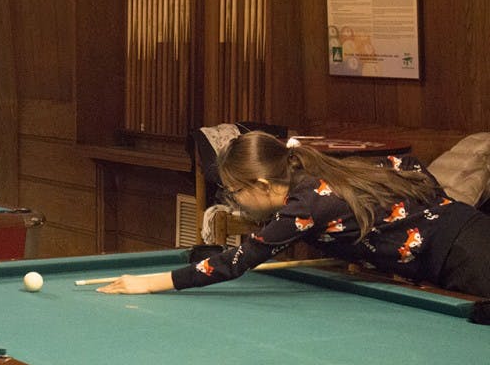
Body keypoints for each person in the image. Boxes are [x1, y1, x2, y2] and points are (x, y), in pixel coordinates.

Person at [98, 131, 490, 297]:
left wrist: (152, 283)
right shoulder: (314, 174)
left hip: (466, 256)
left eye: (235, 193)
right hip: (467, 233)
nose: (235, 202)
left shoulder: (306, 207)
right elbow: (410, 165)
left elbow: (239, 261)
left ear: (264, 186)